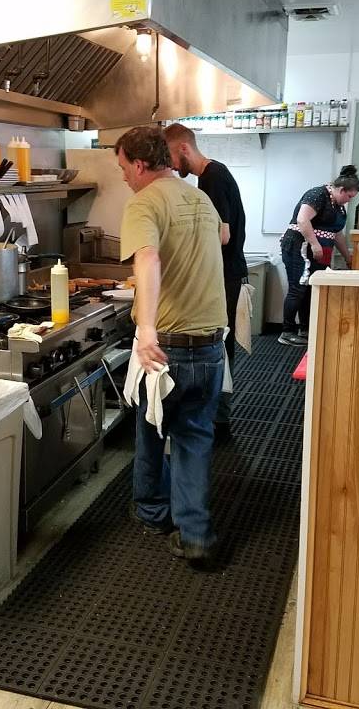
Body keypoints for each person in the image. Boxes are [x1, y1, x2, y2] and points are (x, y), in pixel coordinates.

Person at [116, 126, 227, 566]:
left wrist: (146, 329)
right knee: (194, 436)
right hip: (210, 344)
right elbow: (222, 237)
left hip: (166, 349)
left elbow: (147, 257)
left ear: (140, 164)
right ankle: (196, 535)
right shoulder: (199, 198)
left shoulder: (143, 202)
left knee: (150, 427)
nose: (124, 176)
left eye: (124, 167)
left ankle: (151, 510)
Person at [163, 122, 246, 442]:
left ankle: (218, 420)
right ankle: (216, 417)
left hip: (224, 274)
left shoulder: (213, 177)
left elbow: (222, 234)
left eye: (171, 156)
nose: (171, 165)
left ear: (184, 148)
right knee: (219, 344)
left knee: (218, 344)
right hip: (225, 272)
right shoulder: (211, 175)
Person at [279, 165, 359, 346]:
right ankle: (287, 332)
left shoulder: (338, 207)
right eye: (349, 196)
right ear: (341, 189)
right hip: (299, 246)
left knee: (311, 288)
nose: (349, 200)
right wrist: (315, 244)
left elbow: (337, 234)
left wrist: (348, 258)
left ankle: (305, 329)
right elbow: (302, 219)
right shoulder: (317, 194)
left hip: (319, 251)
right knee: (298, 288)